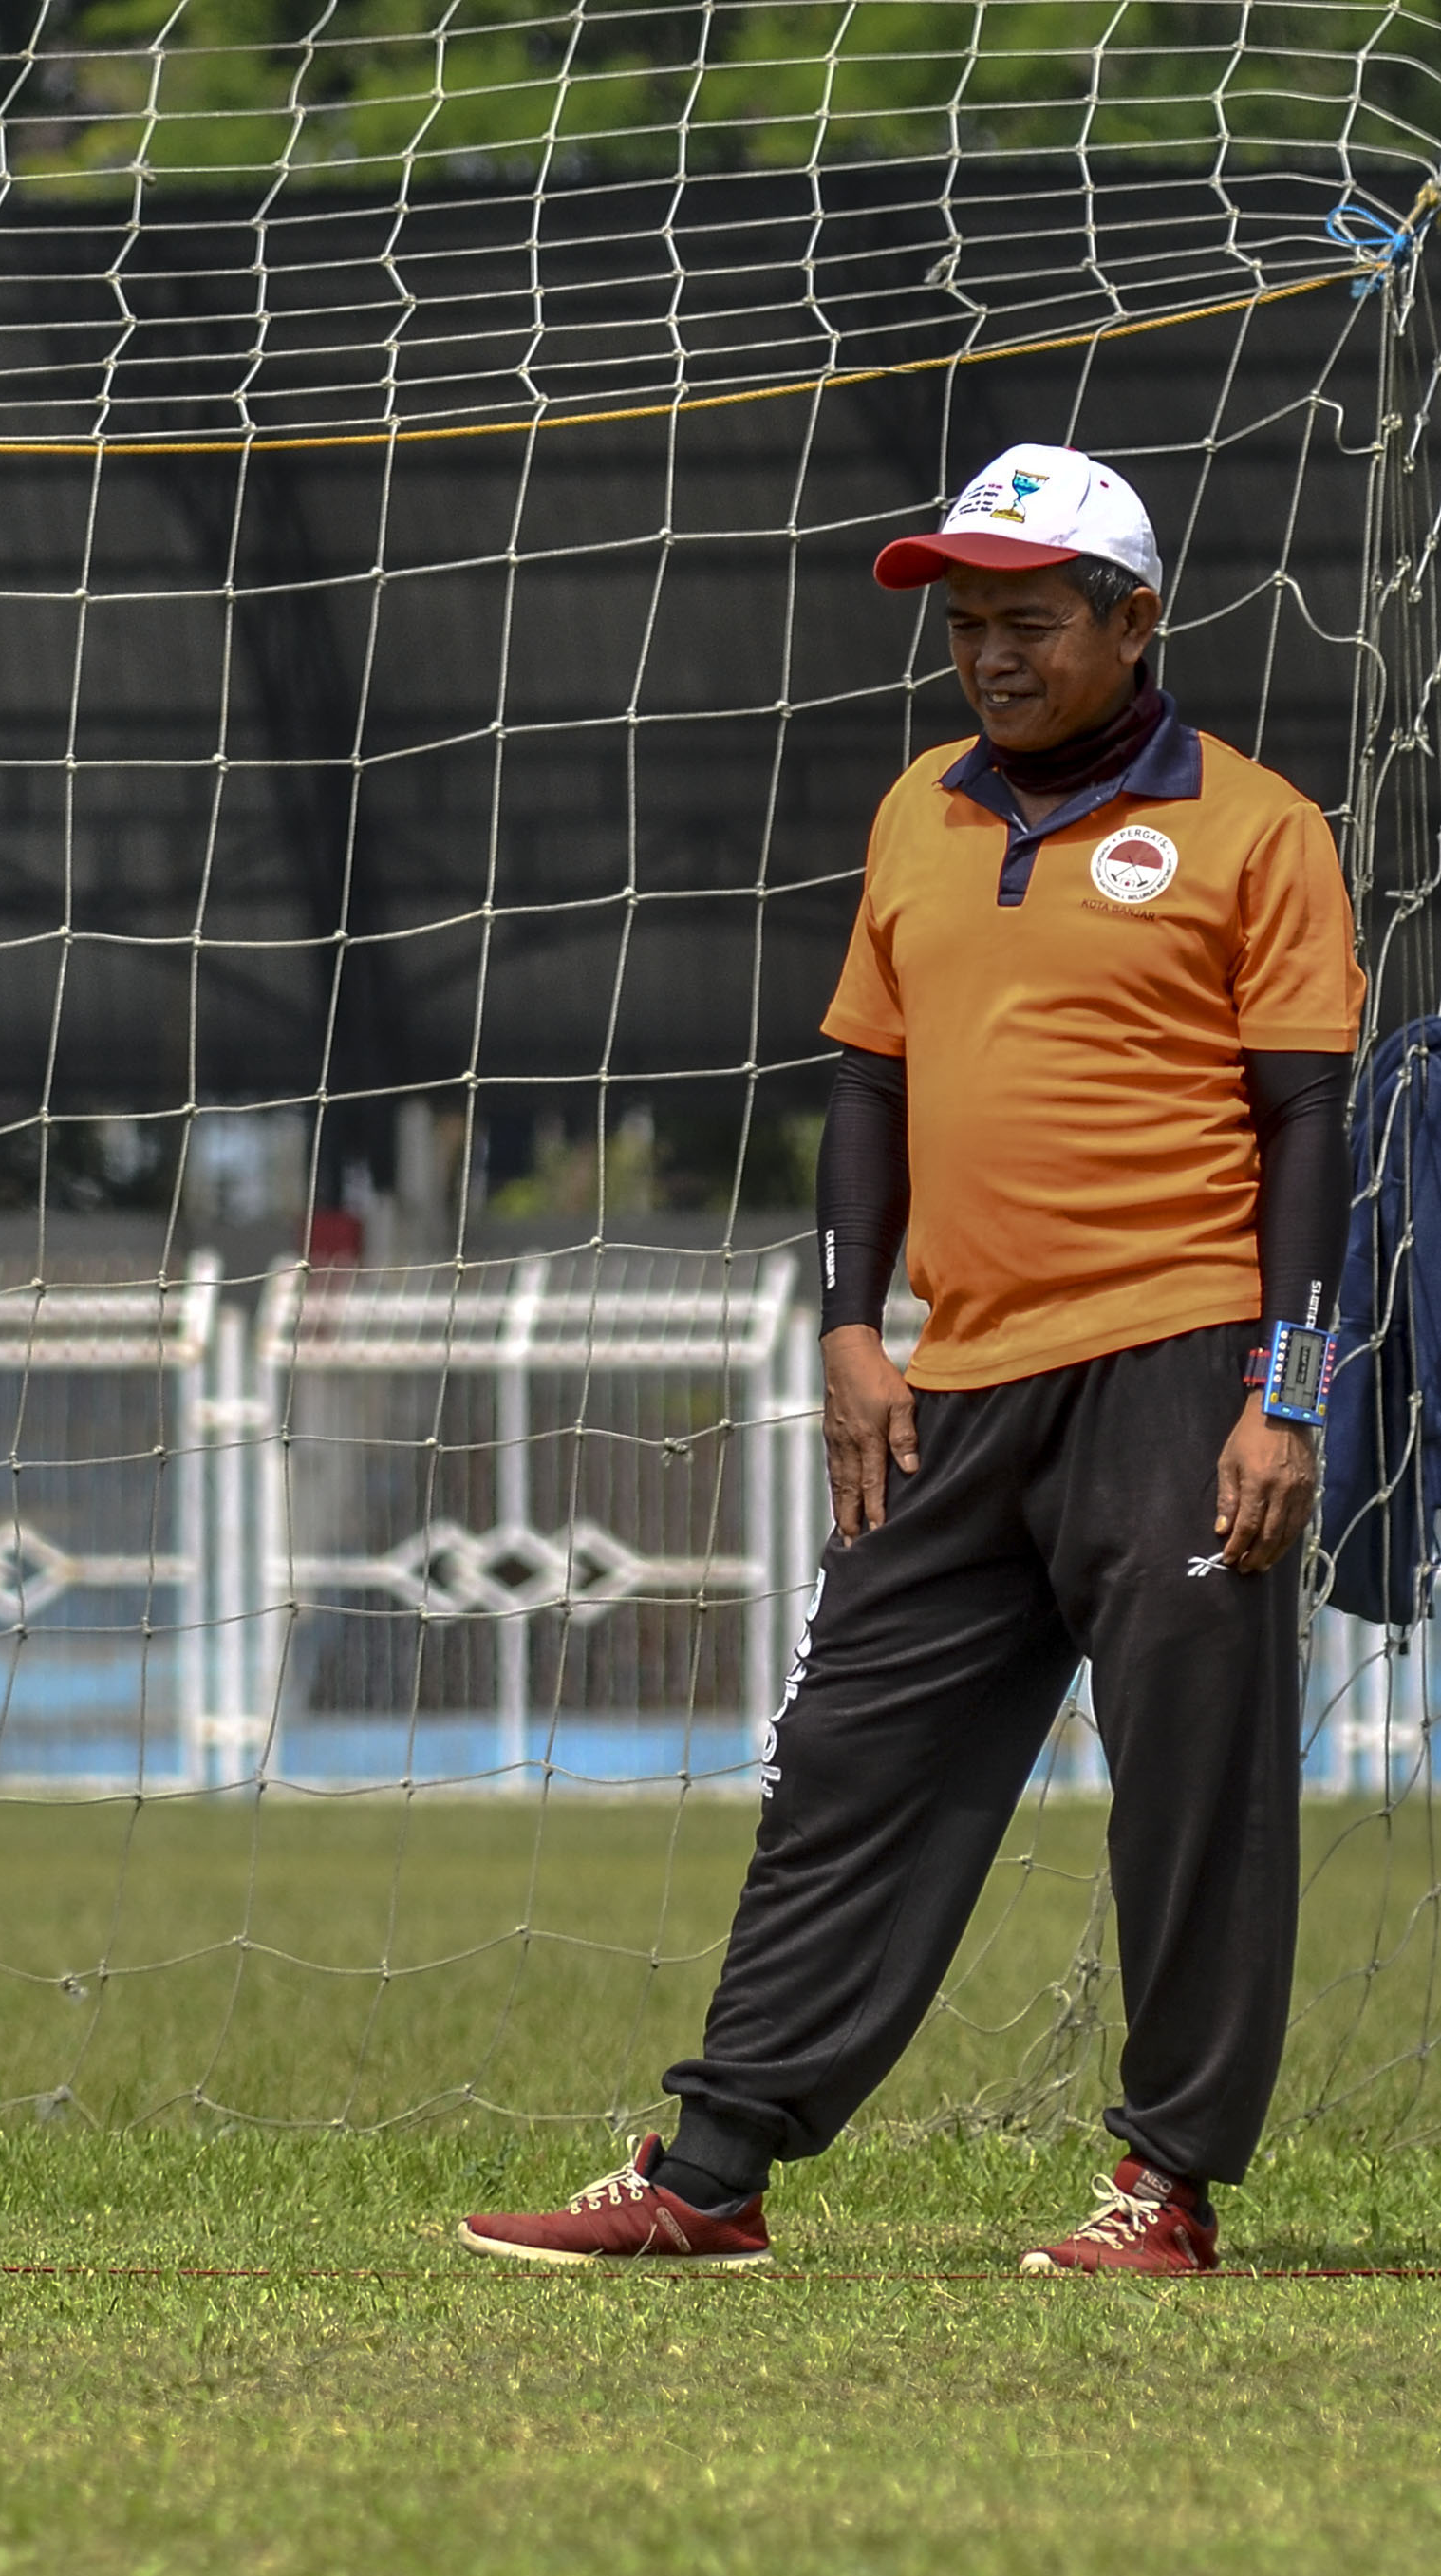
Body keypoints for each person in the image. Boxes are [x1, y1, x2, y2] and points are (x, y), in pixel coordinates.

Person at [460, 443, 1357, 2277]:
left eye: (1026, 619)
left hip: (1181, 1364)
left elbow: (1307, 1125)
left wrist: (1289, 1390)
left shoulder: (1257, 827)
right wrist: (851, 1329)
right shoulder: (915, 814)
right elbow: (863, 1086)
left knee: (1191, 1787)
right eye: (964, 623)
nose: (988, 655)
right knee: (844, 1755)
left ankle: (1164, 2191)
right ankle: (709, 2173)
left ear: (1132, 618)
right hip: (951, 1384)